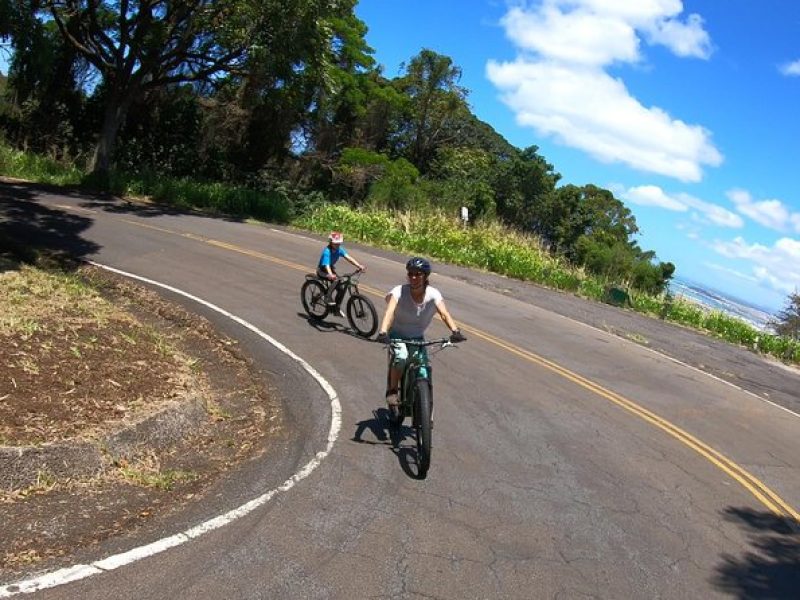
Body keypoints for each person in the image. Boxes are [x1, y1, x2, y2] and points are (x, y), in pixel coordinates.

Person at [376, 257, 466, 409]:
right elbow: (390, 312)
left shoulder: (433, 294)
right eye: (410, 274)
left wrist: (455, 331)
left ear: (425, 276)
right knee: (401, 357)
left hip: (417, 338)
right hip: (397, 335)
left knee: (424, 369)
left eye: (418, 274)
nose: (413, 277)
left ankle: (424, 408)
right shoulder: (399, 291)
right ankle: (392, 391)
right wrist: (383, 331)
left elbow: (444, 313)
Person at [317, 231, 366, 306]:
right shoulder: (327, 252)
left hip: (330, 268)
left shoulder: (339, 250)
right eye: (335, 243)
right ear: (331, 242)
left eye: (339, 243)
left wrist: (359, 265)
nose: (337, 245)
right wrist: (331, 275)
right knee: (336, 279)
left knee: (340, 289)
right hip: (322, 270)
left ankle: (336, 308)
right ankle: (327, 297)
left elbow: (348, 258)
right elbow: (326, 266)